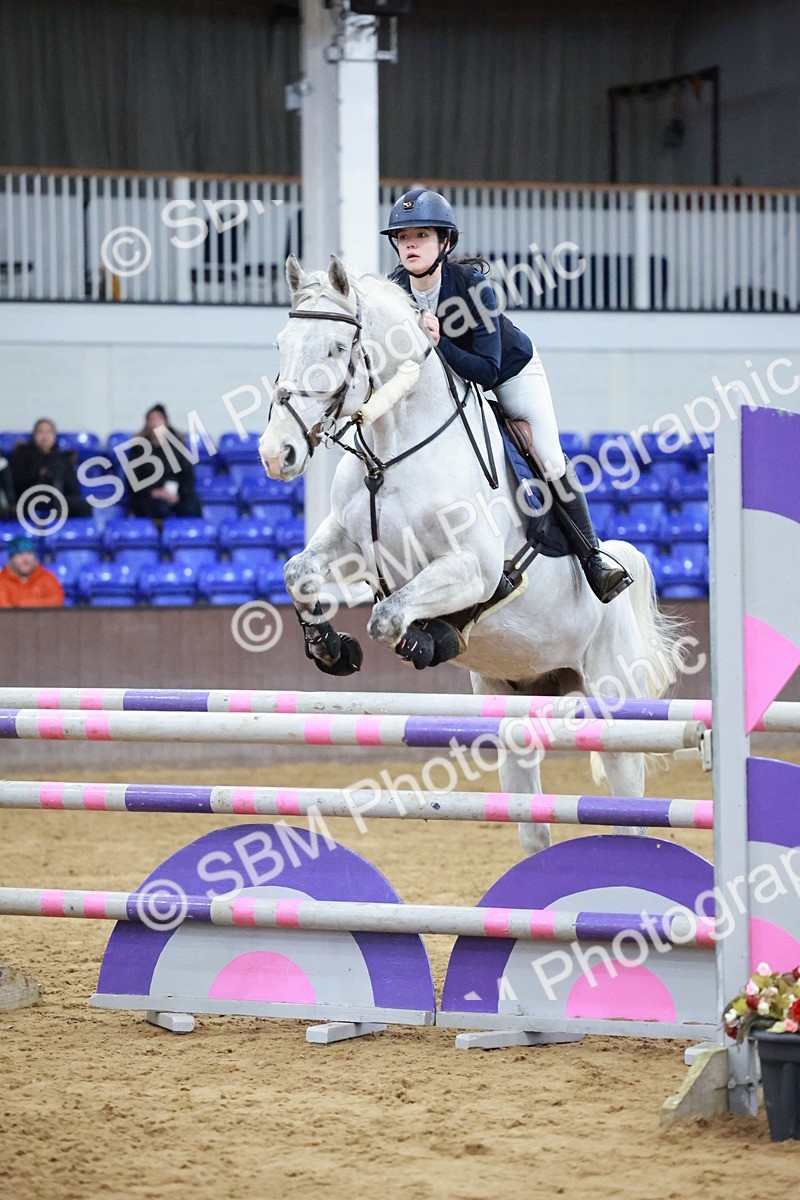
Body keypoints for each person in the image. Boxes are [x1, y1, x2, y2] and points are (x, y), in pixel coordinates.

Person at [381, 188, 632, 604]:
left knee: (548, 456)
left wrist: (438, 344)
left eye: (421, 235)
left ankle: (593, 558)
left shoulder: (473, 286)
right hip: (446, 380)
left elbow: (488, 369)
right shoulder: (394, 290)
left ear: (445, 242)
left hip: (509, 371)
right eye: (403, 237)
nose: (410, 244)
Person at [128, 405, 202, 521]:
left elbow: (188, 476)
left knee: (192, 507)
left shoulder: (177, 446)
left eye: (159, 419)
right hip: (150, 496)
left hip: (176, 494)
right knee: (158, 508)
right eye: (152, 419)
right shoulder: (139, 449)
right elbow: (132, 480)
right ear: (147, 424)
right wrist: (154, 492)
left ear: (166, 422)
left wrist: (178, 494)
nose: (155, 423)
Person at [11, 419, 91, 519]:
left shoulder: (62, 458)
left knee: (84, 506)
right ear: (34, 435)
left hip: (60, 497)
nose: (45, 436)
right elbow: (17, 484)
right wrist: (39, 473)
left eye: (49, 432)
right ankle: (57, 505)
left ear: (54, 435)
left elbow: (74, 490)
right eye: (40, 432)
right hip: (32, 497)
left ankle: (58, 505)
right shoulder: (23, 455)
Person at [0, 535, 64, 608]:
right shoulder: (2, 580)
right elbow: (4, 610)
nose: (26, 559)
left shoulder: (46, 577)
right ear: (11, 559)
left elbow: (57, 601)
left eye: (29, 553)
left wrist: (23, 604)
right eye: (20, 554)